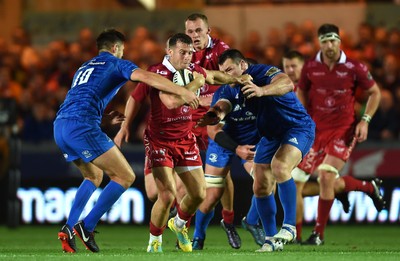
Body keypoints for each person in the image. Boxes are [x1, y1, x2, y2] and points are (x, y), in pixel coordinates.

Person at [55, 29, 199, 254]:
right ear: (115, 48)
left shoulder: (84, 67)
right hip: (82, 127)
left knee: (93, 175)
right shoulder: (115, 63)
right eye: (122, 50)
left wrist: (103, 117)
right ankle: (87, 226)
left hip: (61, 126)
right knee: (125, 176)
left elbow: (79, 99)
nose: (123, 54)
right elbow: (148, 77)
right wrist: (184, 92)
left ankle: (69, 226)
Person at [139, 33, 249, 253]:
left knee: (199, 194)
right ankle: (155, 242)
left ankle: (179, 224)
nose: (188, 57)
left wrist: (237, 79)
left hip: (185, 138)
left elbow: (214, 77)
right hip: (160, 140)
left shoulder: (193, 72)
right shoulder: (158, 73)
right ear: (169, 52)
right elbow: (170, 102)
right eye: (183, 52)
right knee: (166, 195)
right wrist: (194, 86)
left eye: (190, 52)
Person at [215, 48, 315, 252]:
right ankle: (271, 239)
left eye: (230, 69)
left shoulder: (263, 72)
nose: (227, 75)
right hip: (271, 135)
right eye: (223, 72)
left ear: (243, 65)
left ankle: (289, 227)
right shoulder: (229, 88)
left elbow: (287, 83)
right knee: (260, 184)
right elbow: (220, 107)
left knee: (279, 167)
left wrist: (262, 91)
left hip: (296, 126)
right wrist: (210, 116)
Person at [283, 49, 385, 243]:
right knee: (299, 185)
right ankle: (296, 235)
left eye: (294, 66)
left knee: (325, 177)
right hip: (312, 136)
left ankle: (316, 233)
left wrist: (363, 121)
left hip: (337, 132)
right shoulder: (285, 88)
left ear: (305, 68)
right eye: (286, 66)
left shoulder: (316, 83)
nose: (289, 70)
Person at [185, 13, 243, 248]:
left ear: (208, 31)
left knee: (221, 176)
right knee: (189, 179)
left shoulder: (221, 51)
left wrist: (202, 99)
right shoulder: (182, 52)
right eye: (190, 32)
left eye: (198, 31)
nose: (194, 36)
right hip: (189, 122)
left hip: (217, 118)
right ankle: (187, 228)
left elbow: (230, 85)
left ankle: (227, 221)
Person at [192, 71, 266, 250]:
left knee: (265, 181)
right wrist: (236, 148)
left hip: (250, 143)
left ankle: (251, 220)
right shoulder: (224, 94)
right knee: (211, 197)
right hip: (223, 144)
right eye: (225, 71)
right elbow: (213, 131)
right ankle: (198, 237)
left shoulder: (260, 94)